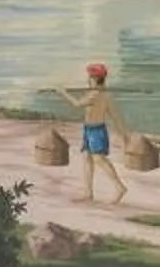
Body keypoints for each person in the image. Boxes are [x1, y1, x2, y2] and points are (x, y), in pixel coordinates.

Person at [55, 60, 128, 205]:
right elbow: (115, 116)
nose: (88, 80)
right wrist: (123, 134)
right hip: (89, 129)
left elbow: (77, 104)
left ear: (94, 79)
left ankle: (120, 187)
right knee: (87, 158)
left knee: (99, 159)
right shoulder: (103, 94)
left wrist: (63, 93)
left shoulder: (95, 95)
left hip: (96, 131)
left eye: (90, 77)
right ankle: (88, 192)